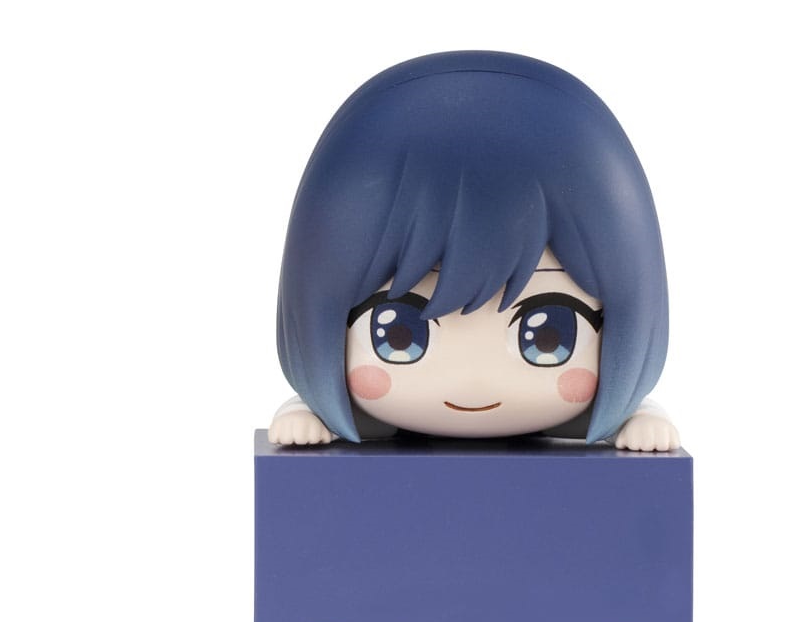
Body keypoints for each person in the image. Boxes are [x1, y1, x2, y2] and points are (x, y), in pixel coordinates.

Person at [270, 51, 680, 452]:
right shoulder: (366, 423)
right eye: (398, 334)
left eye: (549, 335)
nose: (473, 380)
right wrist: (305, 410)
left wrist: (640, 416)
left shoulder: (580, 423)